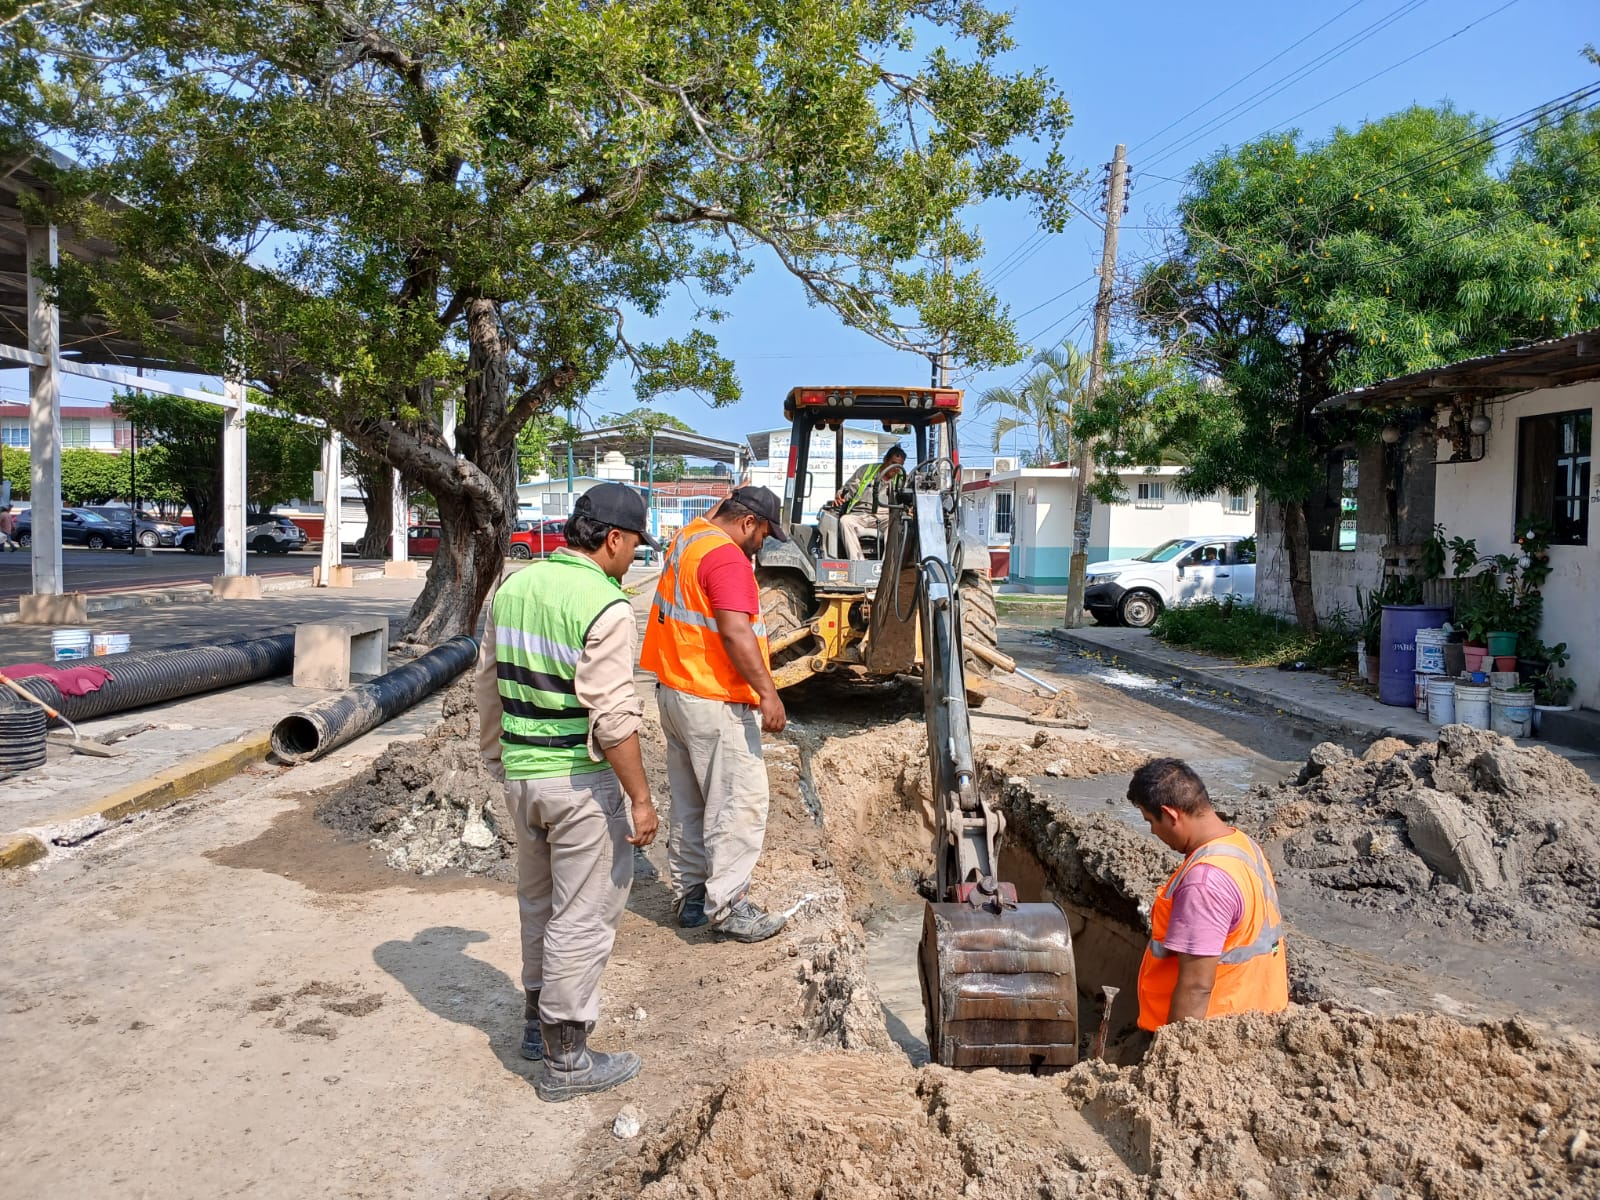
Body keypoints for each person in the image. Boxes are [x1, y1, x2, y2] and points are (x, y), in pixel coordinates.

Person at [475, 482, 661, 1103]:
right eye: (634, 545)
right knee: (582, 917)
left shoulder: (514, 587)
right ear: (613, 539)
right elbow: (613, 719)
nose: (635, 556)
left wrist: (498, 755)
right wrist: (639, 798)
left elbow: (487, 684)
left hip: (524, 776)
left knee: (538, 905)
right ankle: (568, 1060)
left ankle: (536, 1026)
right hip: (578, 784)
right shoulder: (606, 605)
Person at [641, 485, 790, 943]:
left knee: (691, 804)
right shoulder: (727, 558)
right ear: (747, 523)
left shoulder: (689, 538)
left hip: (675, 691)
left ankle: (692, 898)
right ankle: (729, 906)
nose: (762, 545)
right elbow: (735, 632)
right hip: (714, 699)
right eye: (763, 534)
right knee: (738, 802)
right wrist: (768, 694)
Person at [1130, 757, 1289, 1031]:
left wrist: (1173, 1050)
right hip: (1257, 1018)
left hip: (1217, 1029)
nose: (1153, 831)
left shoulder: (1204, 883)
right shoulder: (1241, 844)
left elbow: (1196, 987)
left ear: (1170, 815)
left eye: (1150, 821)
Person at [837, 444, 906, 559]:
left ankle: (887, 565)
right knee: (845, 521)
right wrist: (841, 495)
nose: (895, 469)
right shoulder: (866, 470)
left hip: (885, 517)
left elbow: (907, 499)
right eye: (893, 463)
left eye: (899, 466)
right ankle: (857, 562)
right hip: (861, 514)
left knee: (896, 526)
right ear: (885, 460)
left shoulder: (902, 479)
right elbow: (849, 488)